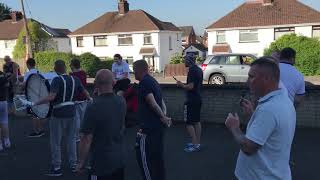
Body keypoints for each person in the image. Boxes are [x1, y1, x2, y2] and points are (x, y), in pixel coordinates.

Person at [225, 58, 296, 180]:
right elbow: (271, 129)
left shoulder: (269, 109)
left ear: (266, 79)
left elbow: (248, 148)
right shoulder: (284, 100)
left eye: (251, 77)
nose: (248, 81)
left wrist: (234, 127)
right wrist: (254, 115)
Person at [20, 60, 92, 177]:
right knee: (71, 140)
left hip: (58, 112)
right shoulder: (75, 79)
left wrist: (33, 103)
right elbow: (85, 93)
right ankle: (74, 165)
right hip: (72, 112)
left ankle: (57, 167)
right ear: (65, 68)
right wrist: (90, 100)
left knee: (56, 141)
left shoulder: (56, 80)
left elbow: (51, 97)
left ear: (55, 69)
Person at [76, 69, 126, 180]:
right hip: (118, 160)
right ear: (113, 82)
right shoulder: (121, 101)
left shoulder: (93, 106)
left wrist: (81, 162)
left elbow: (86, 138)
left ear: (96, 84)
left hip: (100, 164)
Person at [133, 60, 171, 180]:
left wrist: (163, 117)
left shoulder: (144, 83)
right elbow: (162, 102)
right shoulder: (153, 80)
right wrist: (164, 115)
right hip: (158, 129)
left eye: (134, 70)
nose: (133, 73)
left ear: (139, 70)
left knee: (147, 163)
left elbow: (152, 102)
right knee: (157, 160)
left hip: (148, 131)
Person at [176, 55, 203, 152]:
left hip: (191, 100)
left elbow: (191, 86)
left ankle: (195, 145)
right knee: (196, 121)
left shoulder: (192, 71)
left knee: (188, 123)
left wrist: (181, 85)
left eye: (185, 60)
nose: (184, 61)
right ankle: (197, 144)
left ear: (189, 61)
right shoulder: (199, 70)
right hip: (198, 99)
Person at [22, 58, 46, 138]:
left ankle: (37, 131)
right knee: (40, 113)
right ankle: (41, 129)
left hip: (31, 96)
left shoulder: (28, 74)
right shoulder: (39, 72)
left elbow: (24, 85)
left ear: (28, 65)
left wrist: (20, 85)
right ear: (34, 64)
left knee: (34, 114)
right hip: (41, 95)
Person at [69, 58, 88, 142]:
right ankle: (84, 134)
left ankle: (77, 136)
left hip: (76, 99)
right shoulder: (83, 73)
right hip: (84, 98)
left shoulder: (72, 75)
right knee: (83, 118)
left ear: (73, 66)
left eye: (70, 65)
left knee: (76, 120)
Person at [0, 70, 11, 151]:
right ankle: (7, 142)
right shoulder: (2, 74)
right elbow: (7, 84)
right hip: (3, 101)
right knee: (4, 122)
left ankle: (0, 144)